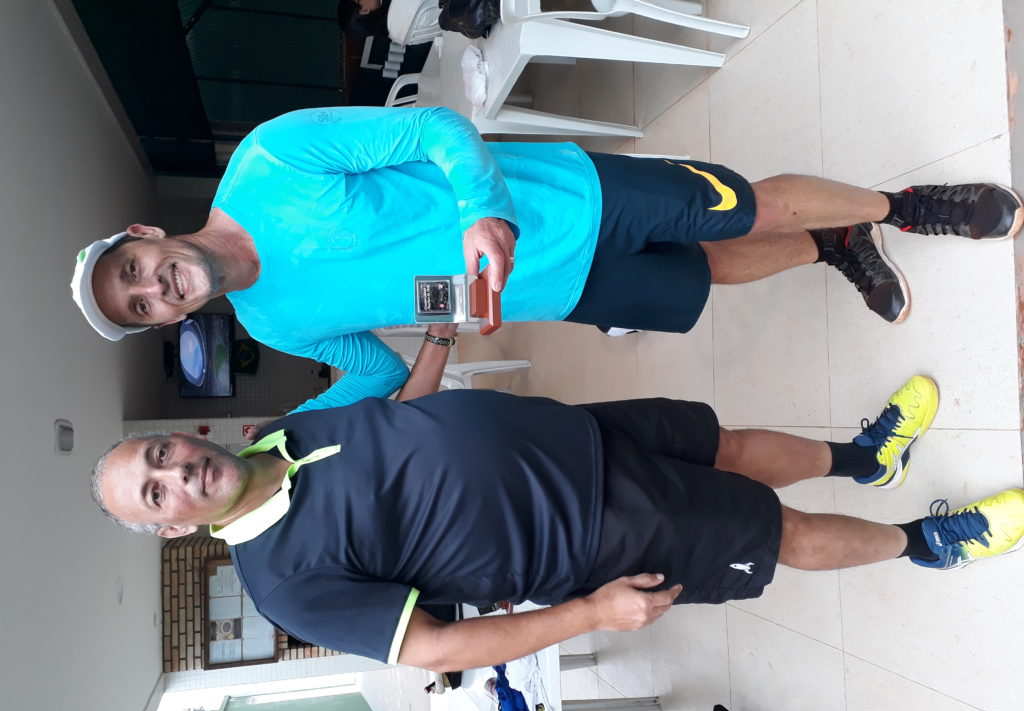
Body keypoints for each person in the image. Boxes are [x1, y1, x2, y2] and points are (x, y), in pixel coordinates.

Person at [70, 107, 1024, 411]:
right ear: (167, 321)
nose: (153, 290)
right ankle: (833, 245)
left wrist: (481, 208)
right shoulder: (271, 322)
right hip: (556, 288)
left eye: (133, 273)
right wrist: (294, 440)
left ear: (143, 236)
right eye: (142, 308)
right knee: (709, 275)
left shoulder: (270, 161)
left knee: (743, 209)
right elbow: (377, 374)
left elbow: (434, 128)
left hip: (562, 197)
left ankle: (906, 208)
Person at [91, 374, 1024, 670]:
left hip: (579, 433)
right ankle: (929, 544)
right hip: (590, 531)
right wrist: (588, 613)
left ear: (183, 435)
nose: (176, 473)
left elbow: (398, 421)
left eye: (159, 455)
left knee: (729, 444)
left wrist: (441, 339)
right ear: (173, 530)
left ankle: (867, 458)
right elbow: (435, 650)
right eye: (156, 493)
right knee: (774, 532)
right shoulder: (281, 583)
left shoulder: (286, 429)